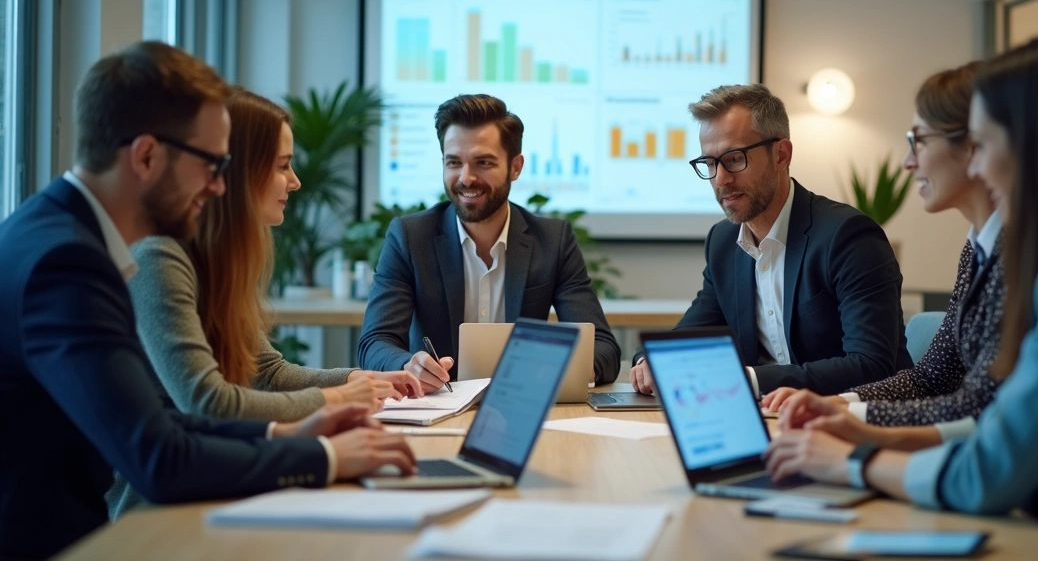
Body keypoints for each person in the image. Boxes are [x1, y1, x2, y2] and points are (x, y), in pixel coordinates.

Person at [764, 34, 1038, 560]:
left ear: (1036, 142)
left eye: (983, 144)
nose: (976, 168)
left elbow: (991, 467)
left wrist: (847, 460)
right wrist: (866, 430)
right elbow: (996, 428)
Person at [0, 41, 416, 561]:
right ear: (147, 156)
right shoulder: (67, 263)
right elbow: (160, 458)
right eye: (211, 165)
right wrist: (323, 456)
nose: (220, 187)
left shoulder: (62, 234)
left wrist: (285, 431)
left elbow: (160, 418)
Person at [106, 89, 425, 517]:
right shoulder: (161, 256)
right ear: (239, 173)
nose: (294, 181)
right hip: (156, 510)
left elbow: (268, 374)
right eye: (282, 166)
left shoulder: (221, 260)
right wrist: (338, 398)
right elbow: (207, 402)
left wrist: (355, 377)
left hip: (219, 481)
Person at [762, 63, 1006, 451]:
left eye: (919, 141)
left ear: (975, 145)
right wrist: (841, 405)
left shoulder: (1029, 255)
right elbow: (932, 377)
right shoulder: (977, 247)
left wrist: (857, 432)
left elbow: (981, 407)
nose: (909, 161)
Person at [630, 84, 910, 398]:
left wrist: (747, 381)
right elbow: (694, 330)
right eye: (709, 164)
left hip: (858, 423)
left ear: (781, 154)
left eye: (734, 158)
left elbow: (872, 365)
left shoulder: (847, 237)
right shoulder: (723, 241)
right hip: (772, 422)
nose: (721, 179)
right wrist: (650, 361)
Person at [358, 94, 621, 388]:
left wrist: (565, 370)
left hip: (524, 404)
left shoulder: (552, 240)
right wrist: (407, 365)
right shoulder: (409, 237)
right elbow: (374, 343)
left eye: (483, 162)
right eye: (454, 162)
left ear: (515, 167)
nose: (466, 178)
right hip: (437, 407)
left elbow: (604, 348)